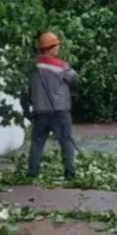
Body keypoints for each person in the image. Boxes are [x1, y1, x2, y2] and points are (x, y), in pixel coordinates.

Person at [26, 31, 79, 180]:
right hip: (59, 111)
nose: (58, 49)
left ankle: (32, 173)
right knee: (66, 142)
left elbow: (26, 90)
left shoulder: (33, 66)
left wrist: (26, 109)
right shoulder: (60, 65)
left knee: (36, 143)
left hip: (39, 111)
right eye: (56, 46)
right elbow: (75, 79)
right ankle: (70, 173)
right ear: (50, 48)